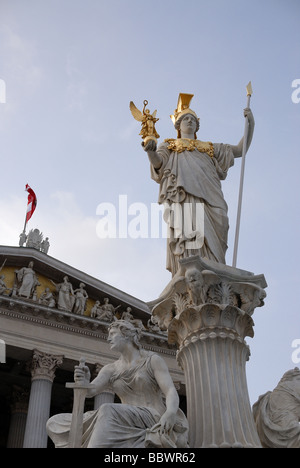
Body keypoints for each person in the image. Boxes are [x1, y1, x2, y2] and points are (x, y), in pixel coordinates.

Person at [143, 93, 255, 276]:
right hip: (184, 198)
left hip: (212, 199)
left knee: (218, 229)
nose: (189, 121)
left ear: (197, 125)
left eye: (193, 119)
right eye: (185, 118)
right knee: (190, 236)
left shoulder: (209, 148)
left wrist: (250, 124)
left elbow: (239, 149)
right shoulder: (170, 146)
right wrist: (150, 151)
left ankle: (215, 269)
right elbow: (159, 164)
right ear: (178, 125)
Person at [46, 320, 189, 448]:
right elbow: (90, 391)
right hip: (123, 417)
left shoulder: (152, 360)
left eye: (113, 334)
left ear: (126, 335)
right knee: (55, 422)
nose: (108, 339)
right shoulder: (111, 369)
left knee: (107, 410)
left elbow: (170, 390)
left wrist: (170, 412)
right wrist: (84, 382)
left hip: (151, 415)